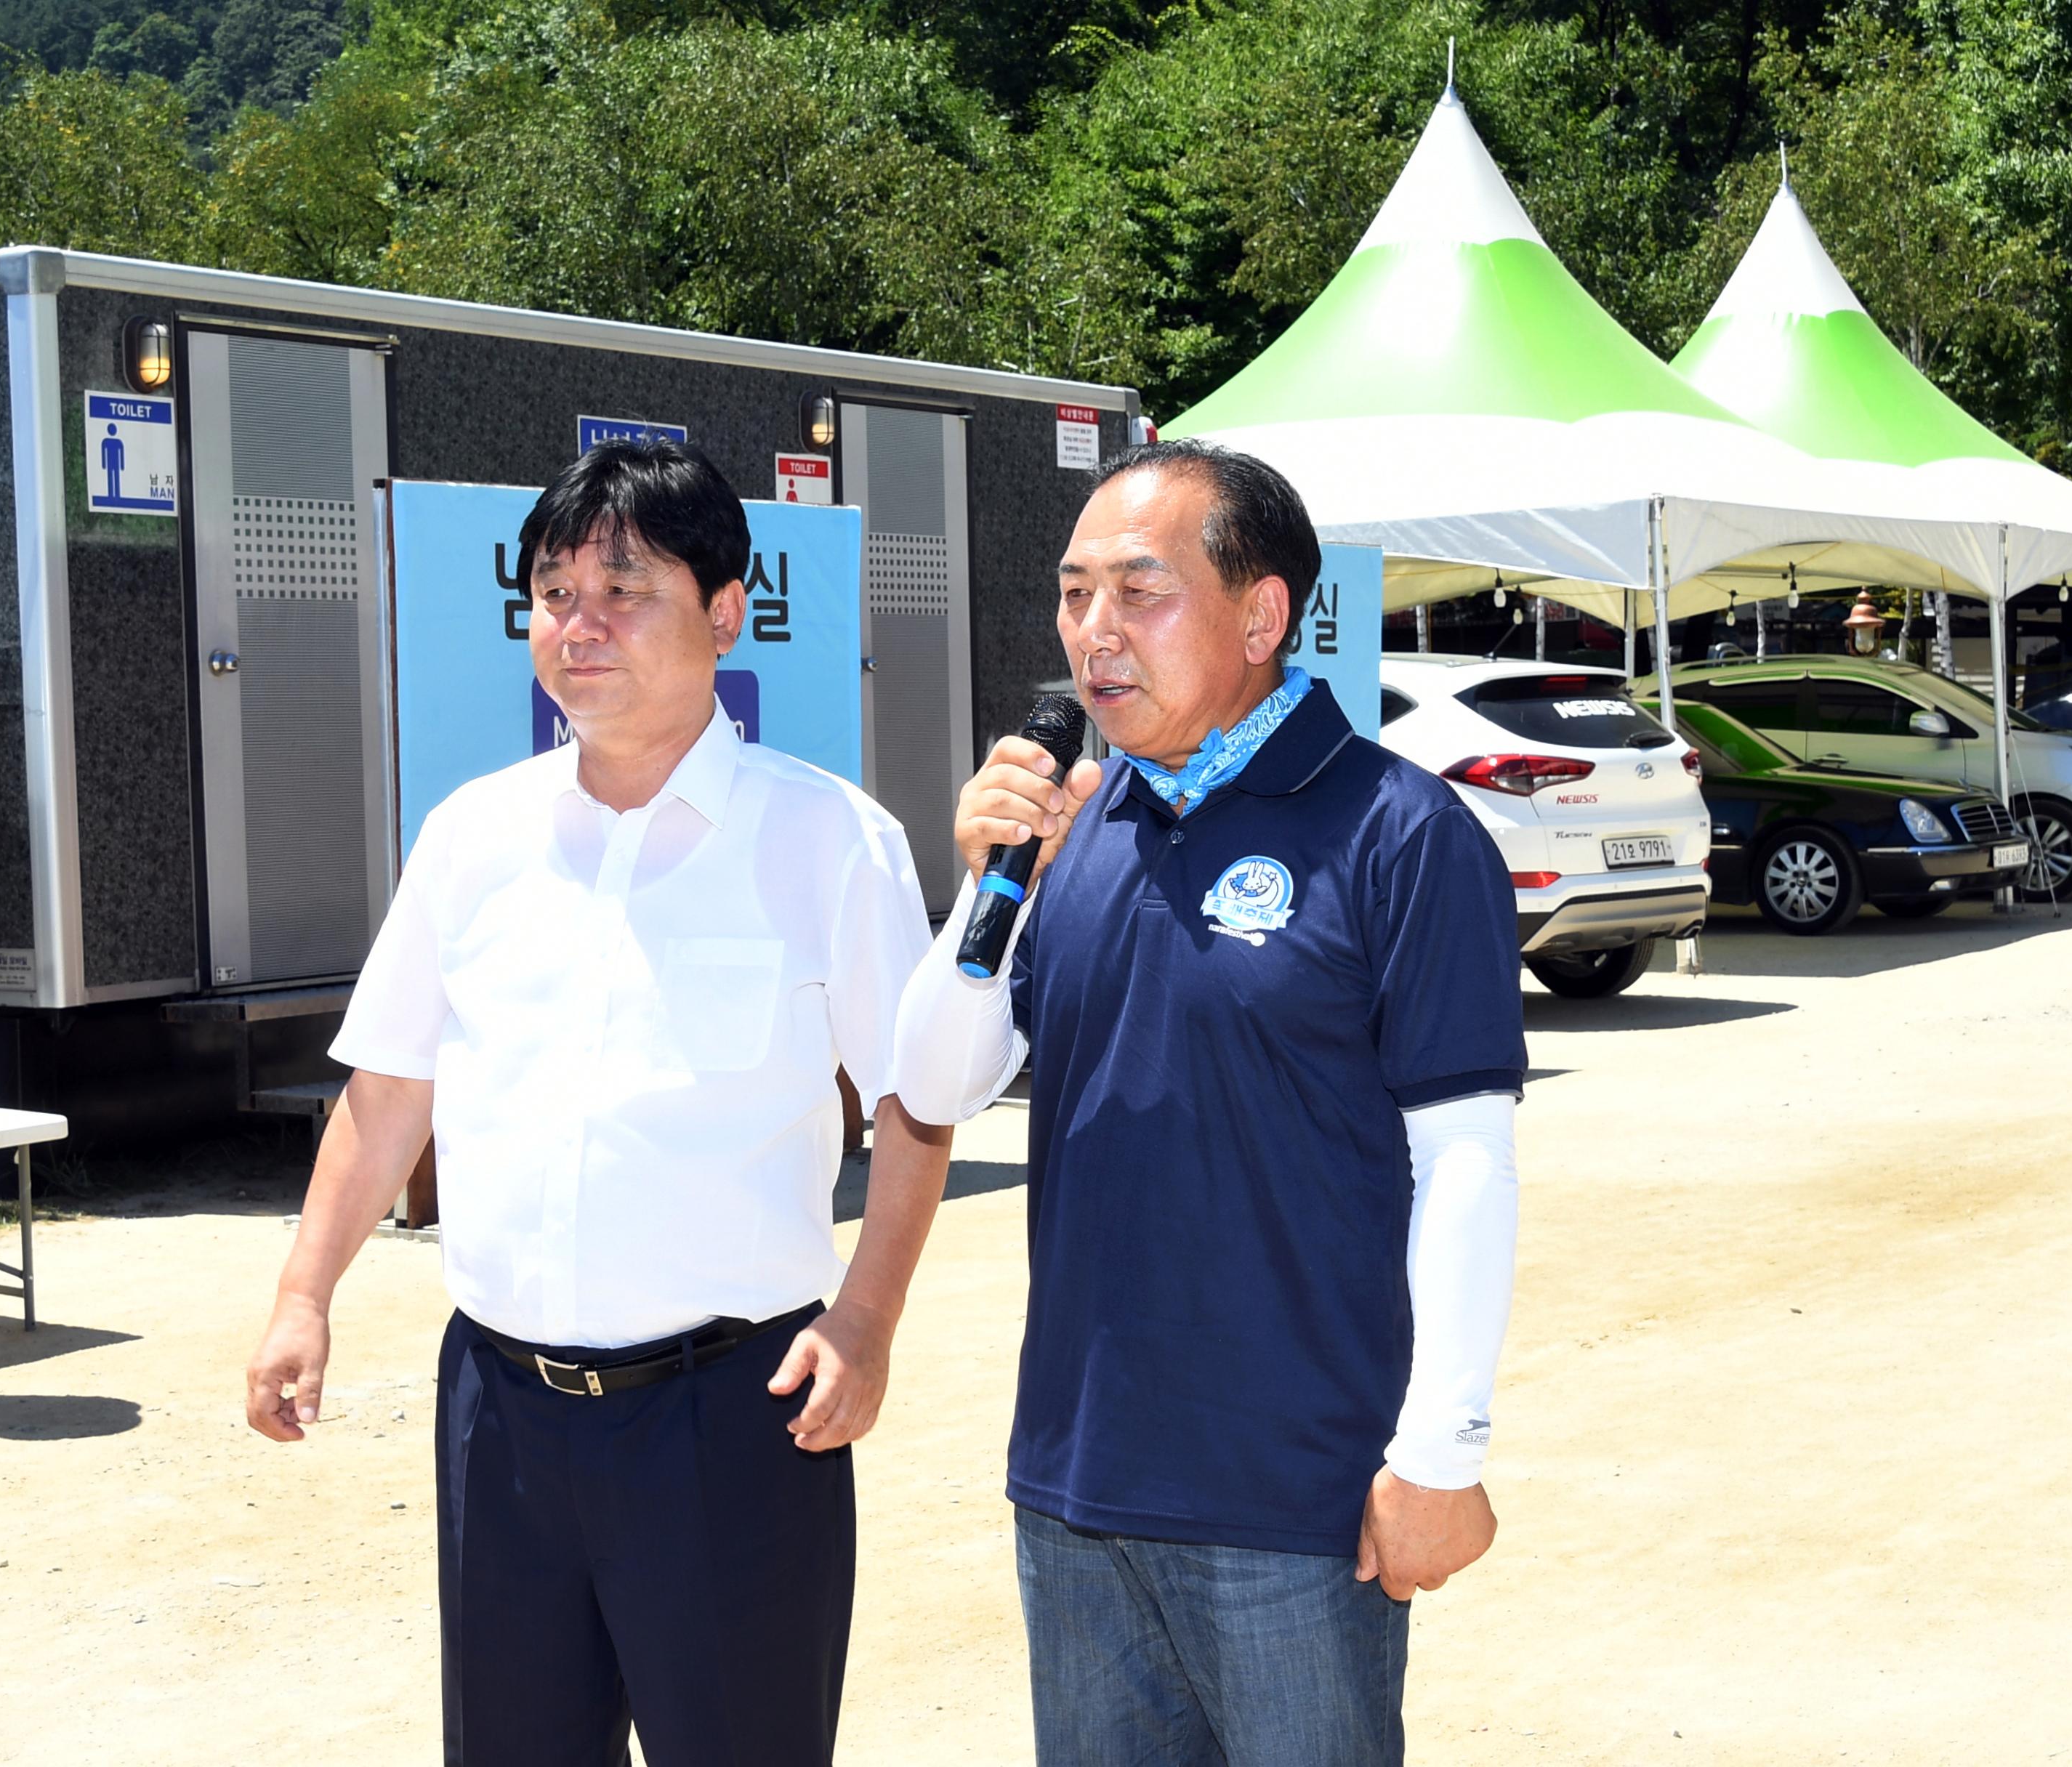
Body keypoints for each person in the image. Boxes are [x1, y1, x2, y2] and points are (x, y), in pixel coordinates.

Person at [243, 439, 953, 1766]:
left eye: (623, 589)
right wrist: (303, 1294)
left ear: (725, 613)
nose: (580, 624)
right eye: (555, 593)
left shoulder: (825, 838)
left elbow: (918, 1104)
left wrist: (864, 1320)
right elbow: (391, 1084)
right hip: (500, 1414)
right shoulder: (475, 835)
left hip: (730, 1413)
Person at [894, 441, 1527, 1764]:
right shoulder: (1070, 829)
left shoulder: (1398, 833)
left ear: (1260, 613)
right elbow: (937, 1082)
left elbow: (1462, 1158)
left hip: (1294, 1505)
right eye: (1072, 595)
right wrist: (986, 886)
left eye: (1139, 591)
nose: (1092, 634)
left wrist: (1442, 1449)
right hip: (1075, 1494)